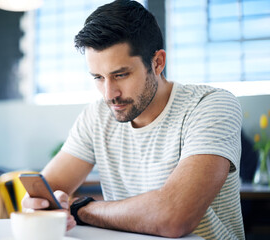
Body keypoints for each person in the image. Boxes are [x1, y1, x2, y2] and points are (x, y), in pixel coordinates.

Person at [22, 0, 245, 239]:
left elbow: (173, 217)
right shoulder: (96, 116)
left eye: (121, 75)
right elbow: (41, 192)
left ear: (158, 62)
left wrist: (81, 209)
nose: (109, 94)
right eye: (98, 77)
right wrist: (38, 204)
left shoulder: (211, 105)